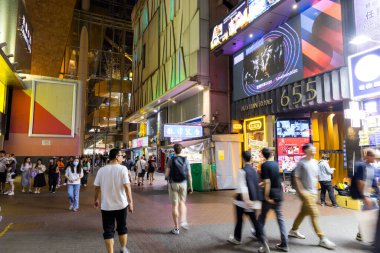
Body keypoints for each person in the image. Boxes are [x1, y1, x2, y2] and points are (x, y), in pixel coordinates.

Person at [289, 144, 336, 249]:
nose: (314, 149)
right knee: (314, 214)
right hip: (305, 193)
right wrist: (301, 191)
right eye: (312, 148)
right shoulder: (302, 163)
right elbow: (296, 178)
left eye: (314, 148)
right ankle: (322, 238)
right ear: (306, 150)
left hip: (313, 192)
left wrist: (315, 191)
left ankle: (294, 230)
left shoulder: (315, 162)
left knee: (303, 212)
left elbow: (315, 176)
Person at [227, 151, 270, 253]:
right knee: (255, 222)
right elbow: (256, 184)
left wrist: (246, 200)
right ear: (250, 159)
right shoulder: (254, 170)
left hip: (243, 202)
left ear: (242, 159)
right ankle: (263, 242)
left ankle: (237, 239)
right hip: (254, 200)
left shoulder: (242, 171)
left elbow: (242, 188)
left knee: (239, 220)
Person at [94, 148, 133, 253]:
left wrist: (96, 199)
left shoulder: (101, 170)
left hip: (106, 206)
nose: (123, 157)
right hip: (121, 205)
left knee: (108, 231)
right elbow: (127, 186)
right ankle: (123, 248)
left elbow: (96, 187)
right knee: (122, 228)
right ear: (116, 156)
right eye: (122, 155)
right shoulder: (122, 169)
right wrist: (131, 202)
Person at [258, 148, 288, 252]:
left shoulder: (264, 165)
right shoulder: (276, 164)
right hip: (278, 195)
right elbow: (274, 179)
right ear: (271, 154)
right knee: (280, 219)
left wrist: (266, 197)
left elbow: (267, 182)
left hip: (269, 196)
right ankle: (285, 244)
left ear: (263, 155)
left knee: (261, 219)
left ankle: (263, 242)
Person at [351, 148, 379, 242]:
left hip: (370, 195)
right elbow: (359, 181)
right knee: (374, 214)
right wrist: (364, 197)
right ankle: (371, 237)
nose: (375, 158)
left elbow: (373, 181)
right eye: (373, 156)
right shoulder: (361, 166)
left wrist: (377, 191)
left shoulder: (372, 167)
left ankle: (361, 234)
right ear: (368, 156)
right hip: (365, 195)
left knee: (368, 214)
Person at [165, 144, 193, 235]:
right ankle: (183, 221)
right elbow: (189, 175)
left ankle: (176, 228)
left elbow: (166, 174)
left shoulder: (170, 160)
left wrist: (168, 179)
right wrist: (191, 186)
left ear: (174, 150)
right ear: (181, 150)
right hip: (183, 184)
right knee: (182, 202)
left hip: (173, 184)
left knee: (174, 205)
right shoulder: (186, 160)